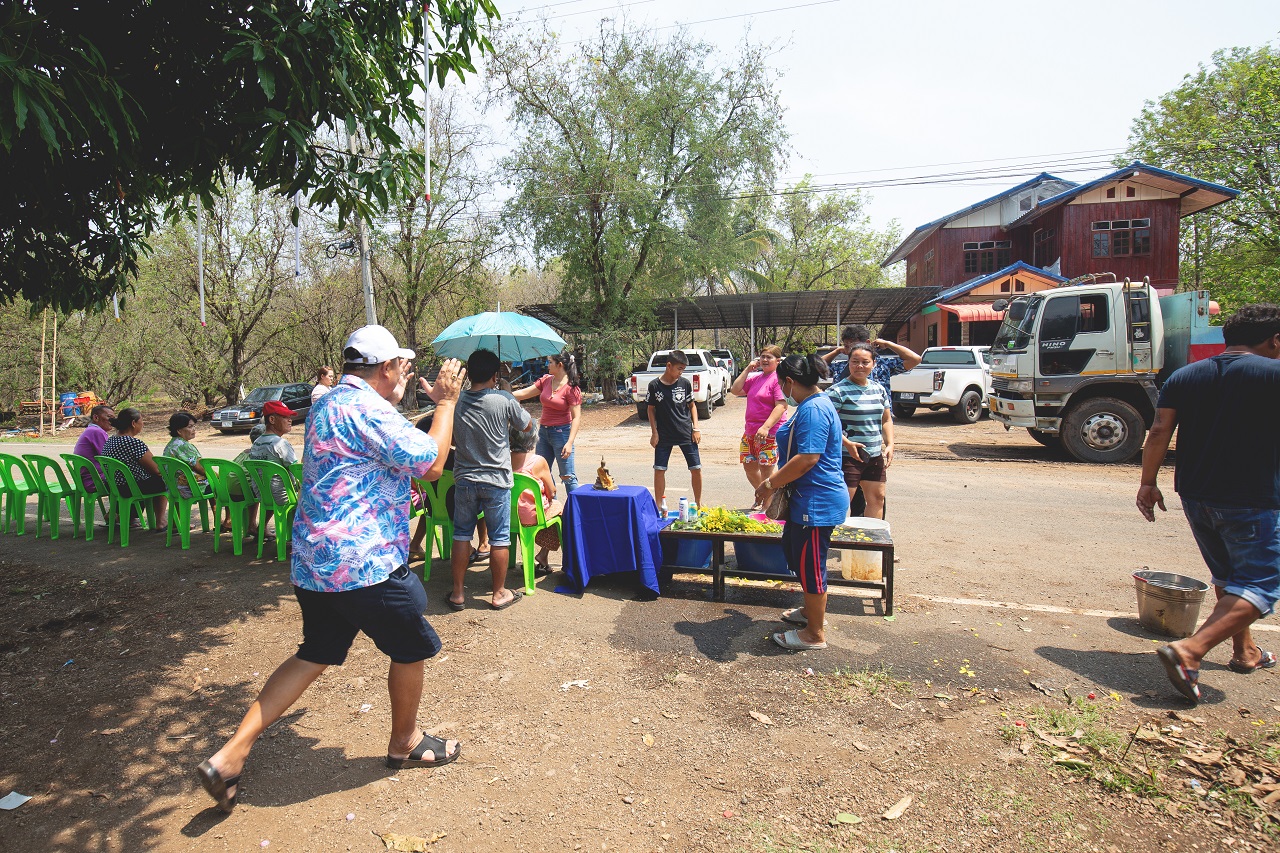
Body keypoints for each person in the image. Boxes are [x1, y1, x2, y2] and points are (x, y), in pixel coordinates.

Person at [196, 325, 466, 814]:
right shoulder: (367, 408)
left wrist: (410, 402)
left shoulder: (327, 402)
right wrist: (445, 404)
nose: (405, 372)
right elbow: (429, 463)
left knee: (315, 653)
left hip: (316, 564)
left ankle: (229, 756)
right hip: (365, 564)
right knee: (411, 646)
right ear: (385, 368)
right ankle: (404, 742)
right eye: (400, 366)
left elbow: (381, 444)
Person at [1137, 303, 1280, 703]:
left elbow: (1160, 429)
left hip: (1196, 494)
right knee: (1260, 585)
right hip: (1252, 497)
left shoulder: (1185, 376)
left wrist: (1148, 482)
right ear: (1275, 340)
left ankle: (1244, 651)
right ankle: (1190, 651)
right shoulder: (1273, 374)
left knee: (1228, 575)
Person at [754, 355, 846, 652]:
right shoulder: (812, 405)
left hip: (816, 502)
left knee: (811, 566)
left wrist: (769, 484)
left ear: (790, 382)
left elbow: (807, 458)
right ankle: (809, 612)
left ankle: (814, 634)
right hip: (805, 500)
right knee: (798, 556)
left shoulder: (814, 409)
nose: (781, 390)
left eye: (781, 384)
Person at [447, 348, 533, 611]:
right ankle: (498, 594)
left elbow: (450, 438)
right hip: (496, 480)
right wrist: (506, 392)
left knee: (461, 534)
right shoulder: (503, 400)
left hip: (464, 479)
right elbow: (527, 426)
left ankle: (458, 594)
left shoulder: (457, 401)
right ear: (495, 375)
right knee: (499, 538)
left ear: (469, 374)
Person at [826, 343, 894, 520]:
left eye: (865, 362)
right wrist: (846, 443)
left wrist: (890, 444)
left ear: (874, 364)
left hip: (873, 455)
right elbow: (826, 424)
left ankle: (870, 542)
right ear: (848, 363)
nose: (860, 366)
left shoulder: (879, 389)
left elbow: (886, 419)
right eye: (855, 361)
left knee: (877, 498)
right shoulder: (837, 391)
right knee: (841, 501)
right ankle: (829, 541)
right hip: (847, 456)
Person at [513, 352, 583, 495]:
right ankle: (552, 508)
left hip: (561, 434)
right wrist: (503, 393)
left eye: (550, 362)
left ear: (560, 365)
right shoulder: (546, 380)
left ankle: (576, 513)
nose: (547, 365)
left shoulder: (571, 388)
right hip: (543, 433)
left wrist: (569, 442)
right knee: (543, 472)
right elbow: (523, 394)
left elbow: (576, 417)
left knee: (567, 476)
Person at [647, 349, 702, 507]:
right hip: (664, 435)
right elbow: (651, 409)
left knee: (696, 468)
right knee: (659, 469)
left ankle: (698, 503)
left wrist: (696, 428)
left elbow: (692, 406)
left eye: (683, 369)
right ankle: (658, 505)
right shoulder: (654, 386)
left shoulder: (685, 383)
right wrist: (654, 433)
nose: (681, 372)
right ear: (669, 365)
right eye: (679, 368)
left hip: (686, 432)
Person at [730, 345, 788, 493]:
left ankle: (768, 506)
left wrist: (766, 427)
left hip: (769, 432)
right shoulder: (756, 378)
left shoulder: (778, 380)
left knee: (766, 471)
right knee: (749, 468)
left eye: (769, 357)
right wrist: (747, 369)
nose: (765, 360)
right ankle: (763, 495)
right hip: (750, 431)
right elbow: (735, 390)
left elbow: (781, 406)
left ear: (778, 361)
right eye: (762, 356)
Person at [101, 408, 168, 531]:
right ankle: (161, 521)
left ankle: (118, 514)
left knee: (145, 479)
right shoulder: (133, 443)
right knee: (165, 480)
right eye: (141, 421)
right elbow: (156, 469)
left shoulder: (111, 440)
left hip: (114, 487)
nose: (143, 424)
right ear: (133, 423)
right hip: (130, 488)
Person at [509, 424, 563, 574]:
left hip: (506, 514)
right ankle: (543, 554)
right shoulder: (538, 461)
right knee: (558, 508)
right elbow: (552, 492)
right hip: (529, 516)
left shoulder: (503, 458)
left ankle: (527, 555)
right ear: (534, 439)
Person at [242, 399, 299, 537]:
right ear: (272, 419)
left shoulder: (256, 443)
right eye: (285, 417)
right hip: (284, 497)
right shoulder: (280, 444)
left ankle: (263, 528)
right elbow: (297, 470)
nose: (289, 420)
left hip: (264, 496)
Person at [821, 324, 921, 386]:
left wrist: (888, 344)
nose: (860, 366)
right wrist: (836, 351)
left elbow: (915, 359)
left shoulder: (882, 365)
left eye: (854, 345)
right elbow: (817, 366)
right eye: (847, 346)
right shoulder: (840, 367)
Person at [163, 412, 211, 499]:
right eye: (190, 427)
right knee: (222, 486)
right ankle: (218, 511)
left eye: (194, 426)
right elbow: (200, 467)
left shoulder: (170, 445)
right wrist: (217, 477)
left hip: (172, 488)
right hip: (188, 488)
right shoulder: (183, 445)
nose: (194, 429)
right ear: (179, 431)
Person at [72, 404, 114, 491]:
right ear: (96, 418)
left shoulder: (91, 430)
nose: (112, 421)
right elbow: (109, 458)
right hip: (94, 481)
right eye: (109, 417)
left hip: (85, 480)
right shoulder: (96, 432)